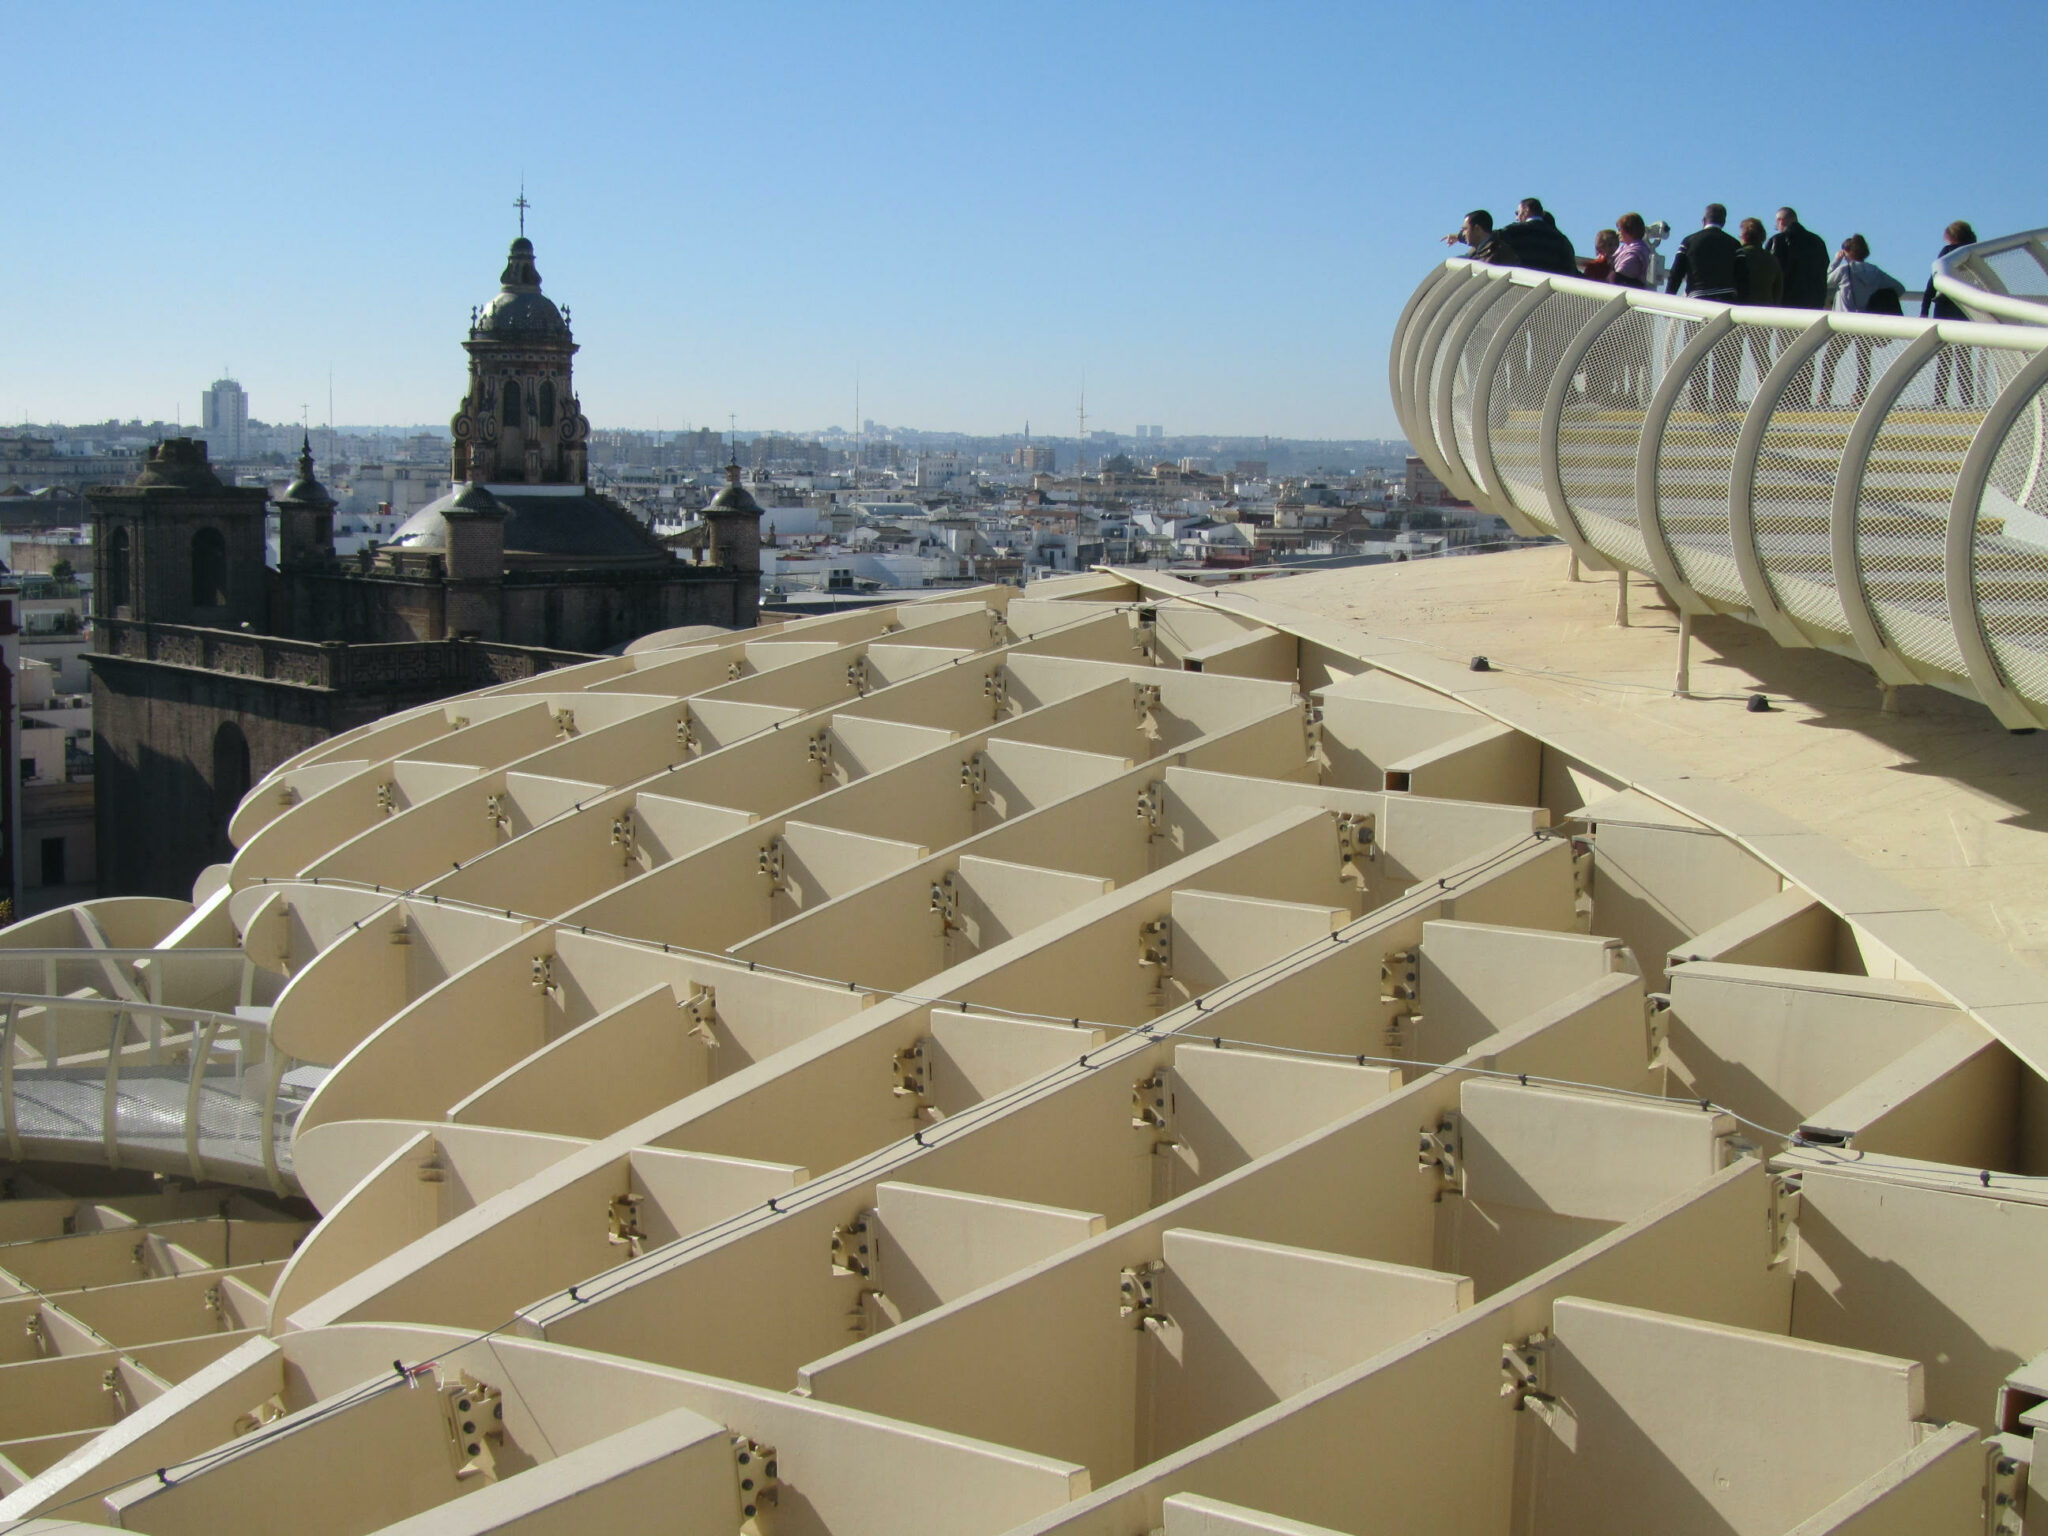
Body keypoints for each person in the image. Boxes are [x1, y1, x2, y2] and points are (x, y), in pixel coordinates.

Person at [1819, 235, 1908, 404]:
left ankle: (1824, 394)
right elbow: (1899, 288)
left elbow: (1825, 282)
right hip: (1866, 320)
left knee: (1830, 359)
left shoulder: (1844, 270)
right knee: (1863, 360)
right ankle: (1860, 394)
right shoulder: (1875, 272)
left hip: (1845, 321)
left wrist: (1836, 261)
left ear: (1847, 252)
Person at [1924, 220, 1979, 406]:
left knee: (1944, 357)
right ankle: (1967, 400)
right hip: (1966, 308)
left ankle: (1939, 399)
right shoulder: (1973, 252)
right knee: (1964, 358)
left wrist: (1924, 309)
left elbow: (1933, 281)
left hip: (1945, 307)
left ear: (1950, 235)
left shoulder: (1947, 252)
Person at [1665, 204, 1741, 303]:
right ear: (1723, 222)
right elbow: (1742, 276)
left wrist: (1668, 298)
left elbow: (1676, 274)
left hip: (1698, 299)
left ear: (1704, 220)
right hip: (1726, 299)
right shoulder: (1734, 244)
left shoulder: (1688, 241)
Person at [1765, 206, 1830, 310]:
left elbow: (1770, 273)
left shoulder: (1777, 241)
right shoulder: (1818, 242)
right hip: (1814, 304)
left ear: (1781, 221)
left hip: (1786, 304)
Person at [1499, 197, 1580, 276]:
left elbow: (1493, 239)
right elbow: (1569, 268)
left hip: (1520, 280)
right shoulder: (1561, 239)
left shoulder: (1513, 231)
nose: (1517, 218)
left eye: (1517, 213)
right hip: (1551, 282)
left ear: (1527, 210)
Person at [1443, 209, 1517, 266]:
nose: (1463, 233)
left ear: (1477, 229)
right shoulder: (1472, 255)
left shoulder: (1499, 252)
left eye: (1465, 229)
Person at [1611, 214, 1653, 288]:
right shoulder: (1624, 248)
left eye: (1620, 229)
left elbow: (1619, 276)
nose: (1617, 233)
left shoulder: (1634, 253)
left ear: (1629, 230)